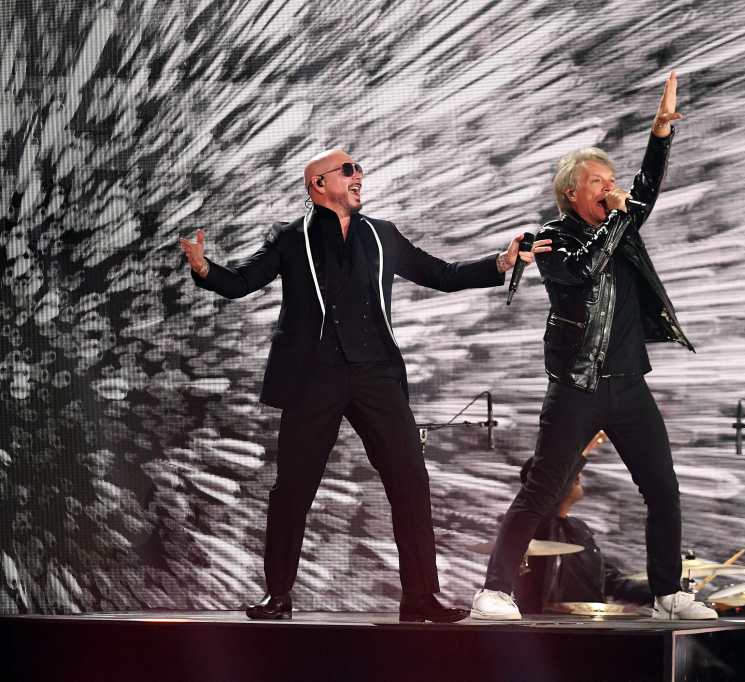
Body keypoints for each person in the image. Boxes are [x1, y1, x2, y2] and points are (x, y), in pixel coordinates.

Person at [179, 148, 549, 622]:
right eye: (349, 170)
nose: (360, 176)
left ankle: (420, 596)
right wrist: (204, 268)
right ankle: (278, 595)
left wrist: (500, 262)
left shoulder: (381, 234)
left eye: (359, 169)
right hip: (313, 377)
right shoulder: (291, 238)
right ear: (318, 184)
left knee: (410, 479)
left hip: (376, 374)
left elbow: (442, 274)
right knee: (293, 488)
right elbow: (241, 282)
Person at [471, 72, 717, 621]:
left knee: (663, 488)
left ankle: (667, 594)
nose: (611, 188)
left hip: (628, 385)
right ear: (572, 194)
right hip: (576, 387)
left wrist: (659, 133)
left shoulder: (620, 225)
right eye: (598, 182)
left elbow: (646, 187)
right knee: (542, 491)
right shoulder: (552, 239)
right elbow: (584, 272)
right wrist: (621, 215)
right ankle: (494, 590)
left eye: (612, 180)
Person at [513, 456, 652, 614]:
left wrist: (661, 592)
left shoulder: (579, 528)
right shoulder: (534, 529)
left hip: (592, 622)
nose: (579, 476)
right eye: (569, 473)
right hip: (553, 623)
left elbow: (609, 581)